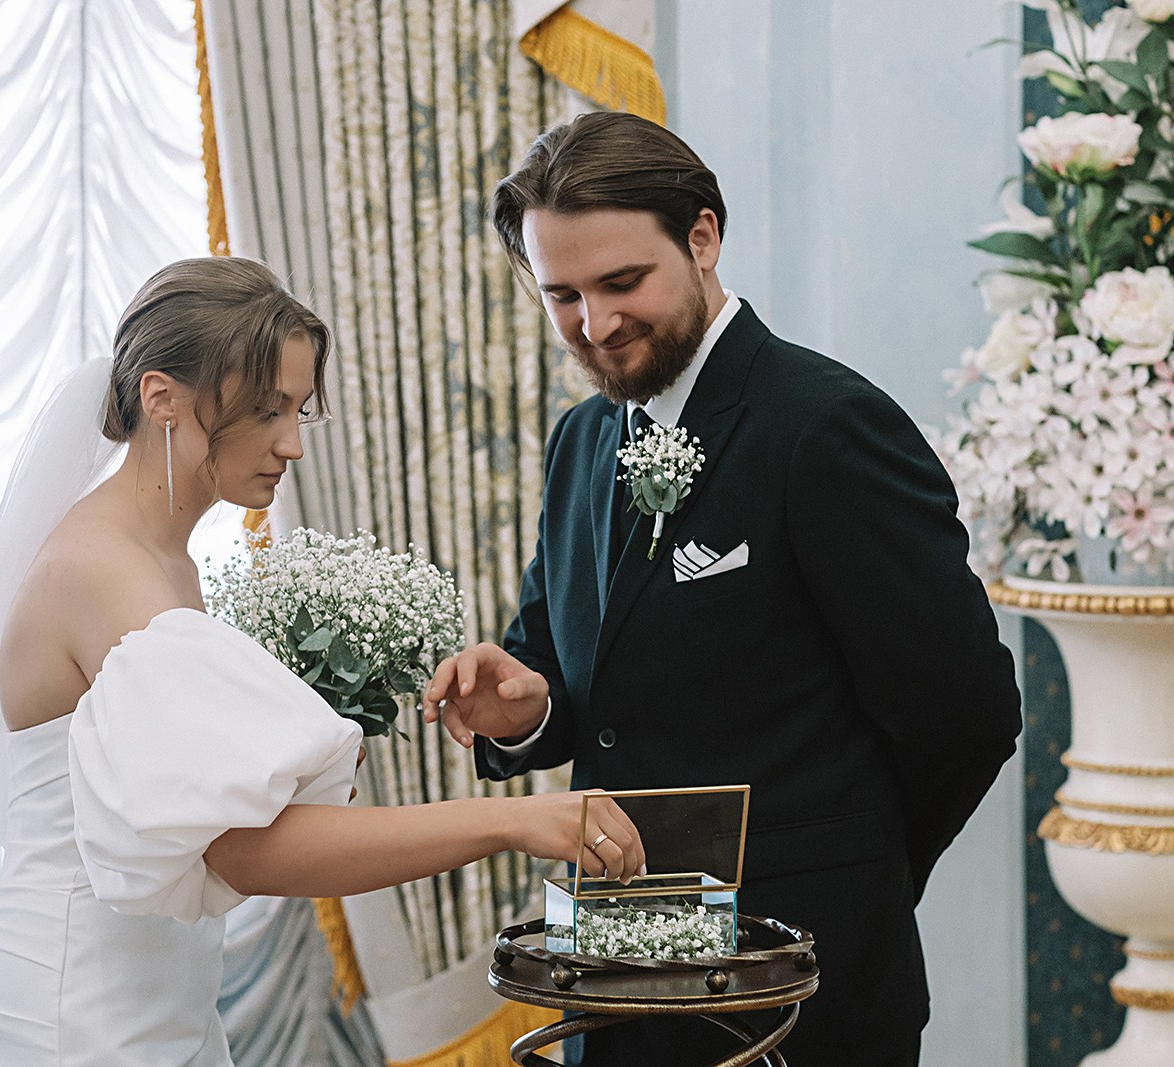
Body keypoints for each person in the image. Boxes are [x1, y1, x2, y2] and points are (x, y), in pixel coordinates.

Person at [0, 256, 646, 1066]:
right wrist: (511, 820)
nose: (291, 443)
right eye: (265, 409)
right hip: (75, 1013)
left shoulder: (159, 561)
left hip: (151, 998)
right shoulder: (105, 574)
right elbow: (241, 851)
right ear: (161, 398)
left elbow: (187, 816)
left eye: (297, 410)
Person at [422, 112, 1023, 1066]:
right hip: (611, 988)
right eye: (563, 295)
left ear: (702, 237)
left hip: (798, 996)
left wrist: (855, 868)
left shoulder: (826, 426)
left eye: (623, 282)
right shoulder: (581, 441)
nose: (596, 325)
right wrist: (529, 709)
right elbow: (581, 677)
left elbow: (967, 712)